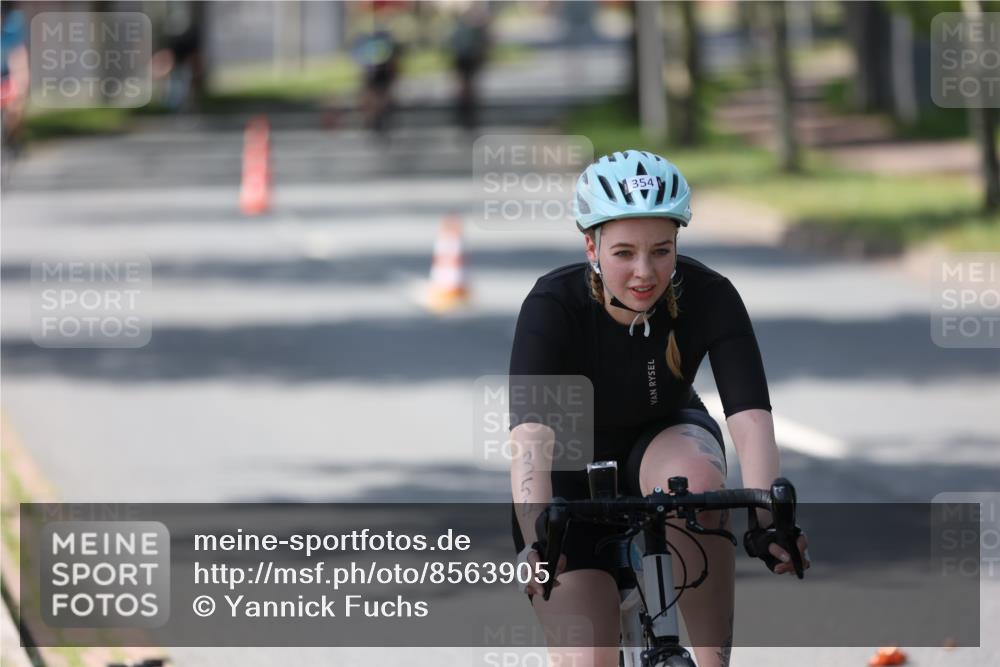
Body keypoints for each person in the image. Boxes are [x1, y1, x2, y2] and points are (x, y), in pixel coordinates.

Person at [509, 150, 810, 667]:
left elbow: (752, 421)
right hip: (568, 477)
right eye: (624, 252)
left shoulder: (710, 295)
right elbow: (531, 437)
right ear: (591, 245)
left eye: (661, 250)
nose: (644, 272)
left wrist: (767, 520)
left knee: (696, 479)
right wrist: (538, 530)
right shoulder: (553, 305)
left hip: (664, 441)